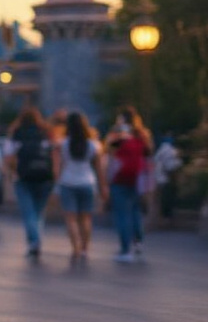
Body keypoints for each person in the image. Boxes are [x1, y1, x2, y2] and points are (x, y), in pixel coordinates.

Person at [53, 110, 106, 261]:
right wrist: (103, 187)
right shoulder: (93, 145)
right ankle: (85, 248)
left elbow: (58, 167)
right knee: (86, 218)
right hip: (87, 182)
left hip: (68, 182)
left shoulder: (63, 144)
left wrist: (56, 185)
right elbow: (99, 168)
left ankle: (75, 247)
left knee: (71, 219)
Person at [105, 105, 153, 261]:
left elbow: (107, 149)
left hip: (120, 178)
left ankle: (125, 249)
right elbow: (148, 154)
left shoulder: (120, 134)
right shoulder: (143, 134)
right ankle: (138, 241)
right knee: (135, 211)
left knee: (122, 214)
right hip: (138, 178)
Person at [7, 107, 54, 258]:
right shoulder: (46, 133)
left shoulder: (16, 134)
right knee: (39, 212)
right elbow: (54, 154)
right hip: (45, 177)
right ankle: (36, 239)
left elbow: (9, 157)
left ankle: (34, 241)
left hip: (23, 177)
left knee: (28, 212)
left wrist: (14, 171)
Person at [151, 134, 184, 223]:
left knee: (159, 198)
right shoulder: (171, 151)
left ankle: (160, 216)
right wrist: (179, 162)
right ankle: (167, 216)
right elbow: (171, 166)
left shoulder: (159, 151)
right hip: (167, 178)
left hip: (157, 177)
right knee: (167, 197)